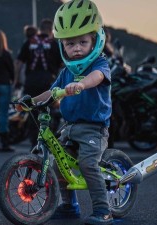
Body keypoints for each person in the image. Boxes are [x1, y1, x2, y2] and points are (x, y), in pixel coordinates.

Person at [15, 0, 112, 224]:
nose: (76, 47)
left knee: (88, 164)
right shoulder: (66, 72)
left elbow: (96, 78)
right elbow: (51, 92)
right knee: (58, 163)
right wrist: (28, 102)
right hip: (70, 128)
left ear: (95, 41)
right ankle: (68, 205)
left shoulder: (99, 64)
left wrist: (82, 85)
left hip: (93, 129)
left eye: (82, 41)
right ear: (62, 46)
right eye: (70, 43)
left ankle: (103, 210)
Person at [15, 18, 63, 147]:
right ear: (51, 30)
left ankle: (34, 142)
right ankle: (48, 142)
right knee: (50, 111)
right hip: (48, 82)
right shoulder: (54, 44)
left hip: (31, 82)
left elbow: (19, 63)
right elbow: (63, 63)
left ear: (40, 29)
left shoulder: (29, 42)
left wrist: (17, 80)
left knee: (32, 111)